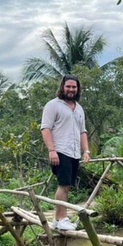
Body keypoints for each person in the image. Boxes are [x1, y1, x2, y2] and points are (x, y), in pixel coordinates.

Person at [40, 75, 90, 231]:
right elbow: (45, 128)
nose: (71, 89)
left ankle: (58, 219)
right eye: (68, 86)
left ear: (78, 89)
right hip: (61, 150)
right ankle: (62, 219)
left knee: (68, 186)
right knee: (63, 185)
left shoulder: (79, 108)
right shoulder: (53, 105)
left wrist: (86, 150)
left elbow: (83, 131)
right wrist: (52, 150)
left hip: (74, 153)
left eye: (74, 87)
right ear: (62, 87)